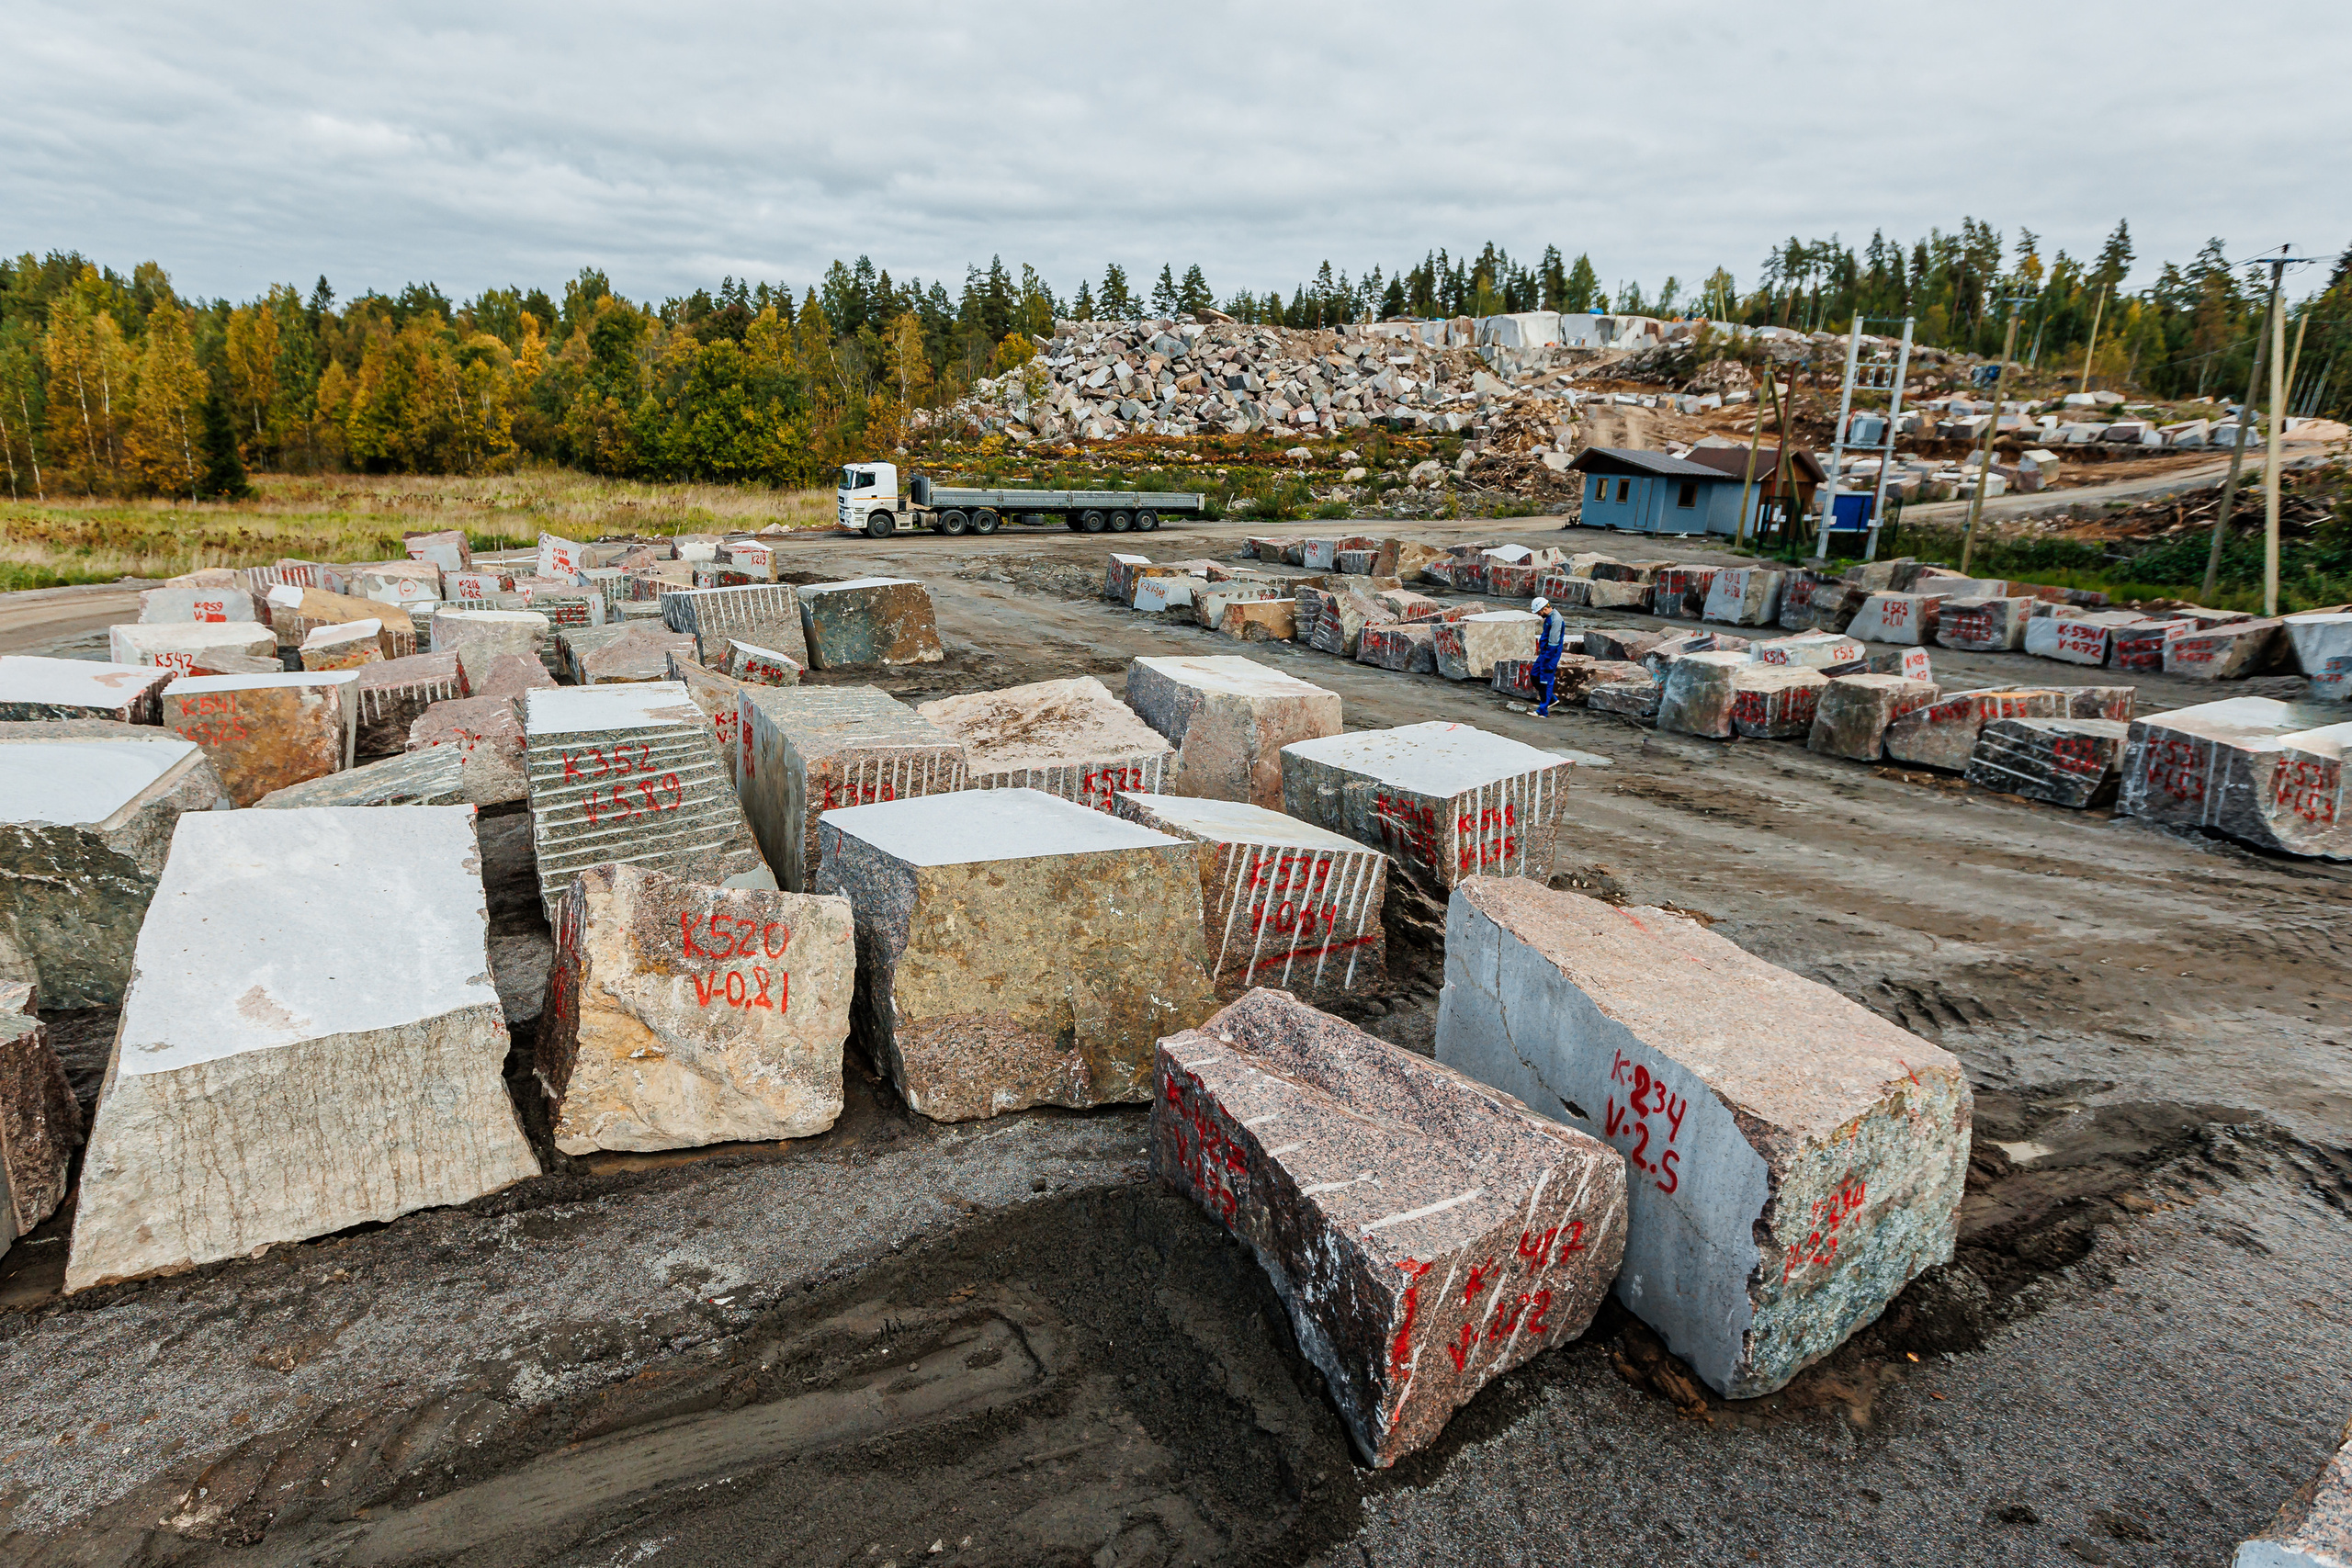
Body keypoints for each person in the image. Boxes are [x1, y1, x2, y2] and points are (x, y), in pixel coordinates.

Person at [1531, 594, 1569, 716]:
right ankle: (1550, 699)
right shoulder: (1549, 618)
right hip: (1545, 653)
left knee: (1545, 681)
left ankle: (1542, 711)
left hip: (1550, 655)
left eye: (1538, 612)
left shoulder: (1556, 620)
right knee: (1534, 675)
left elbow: (1554, 642)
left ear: (1544, 609)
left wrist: (1547, 659)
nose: (1538, 614)